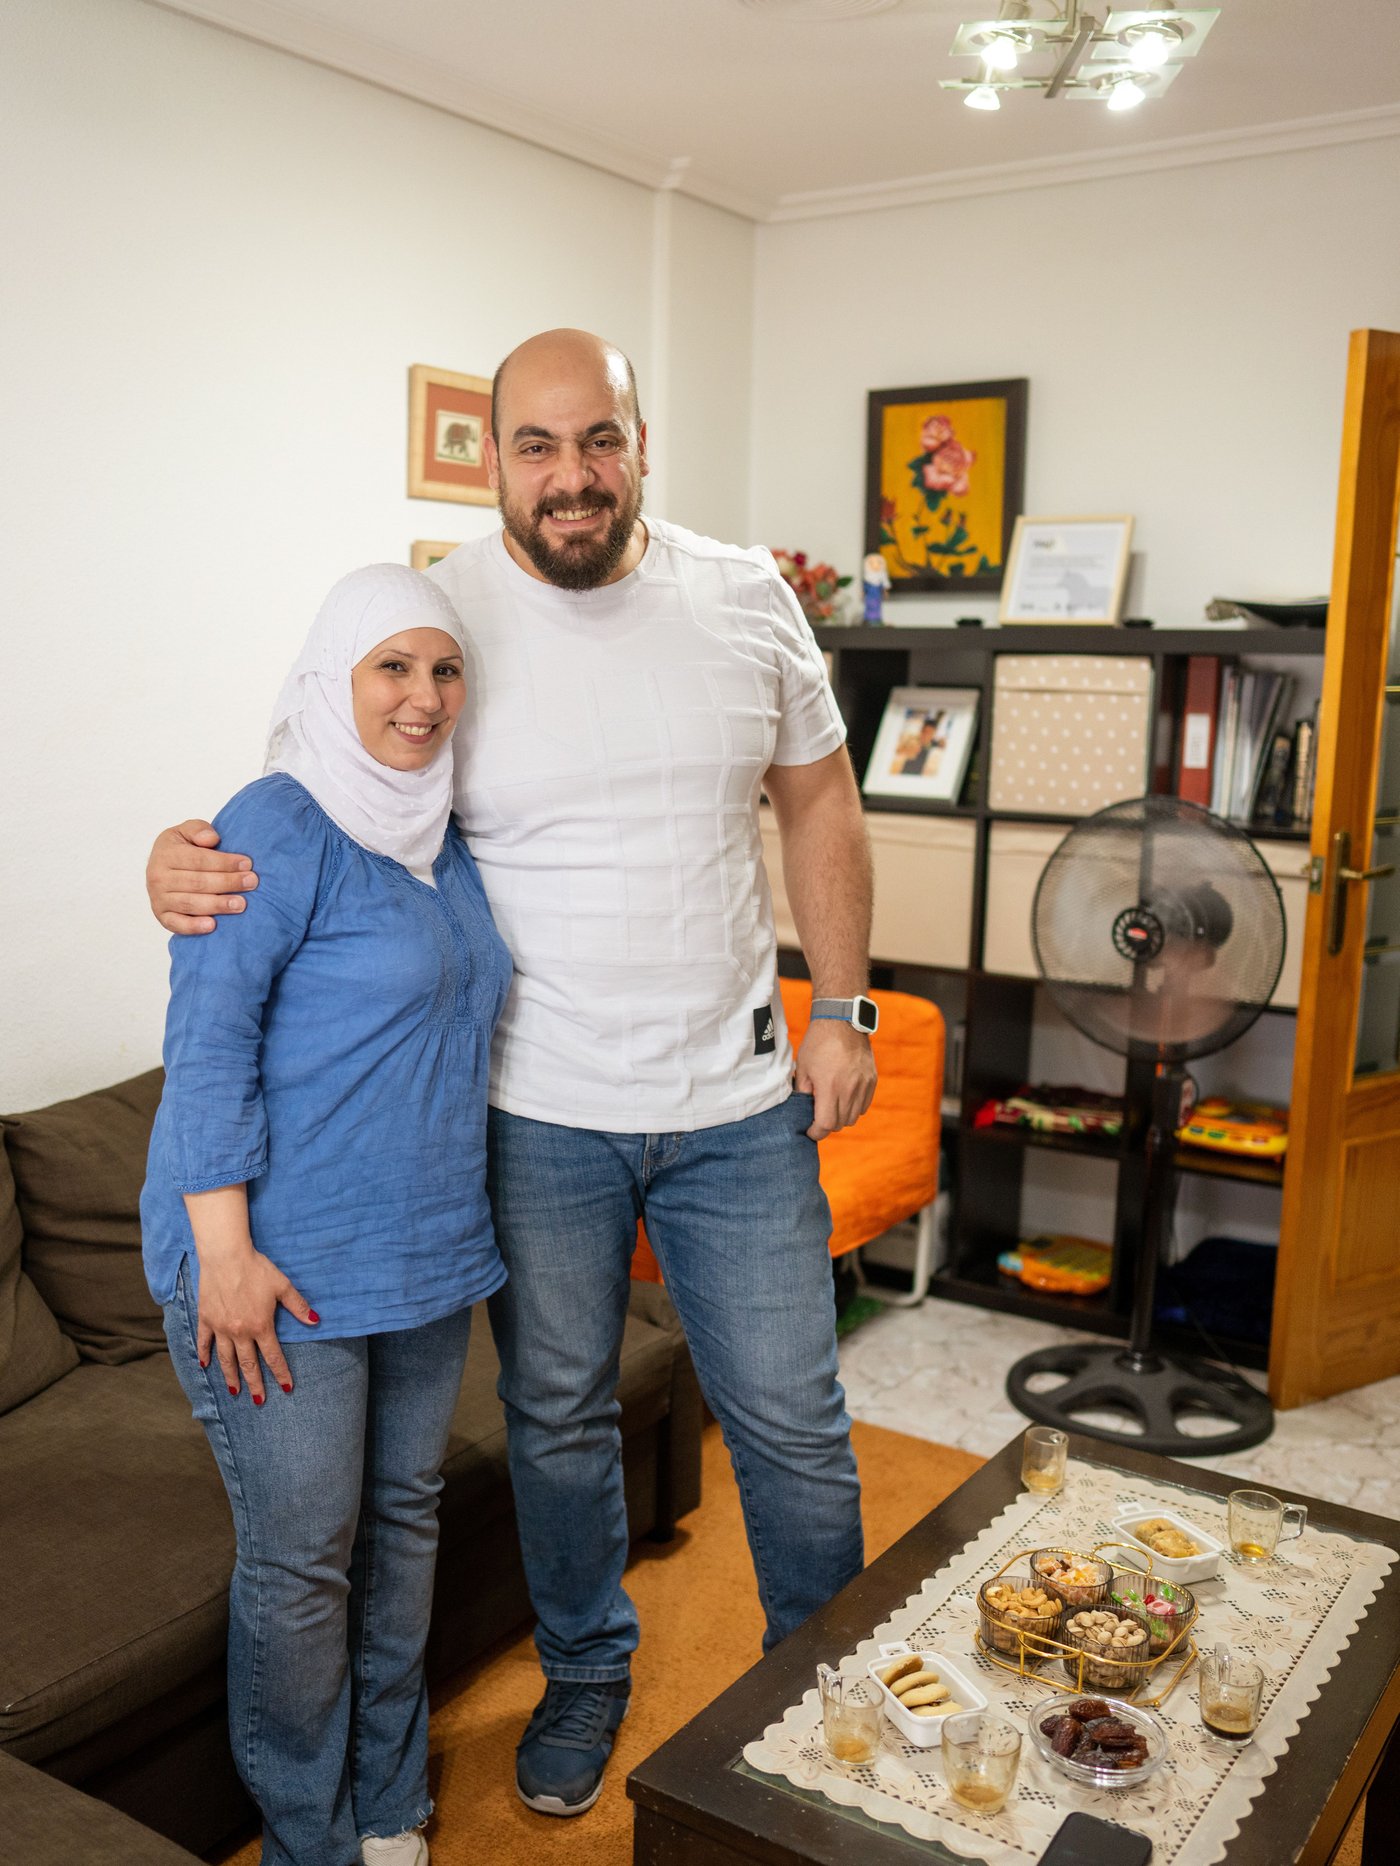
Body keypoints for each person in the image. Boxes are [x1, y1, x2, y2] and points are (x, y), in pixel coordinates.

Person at [145, 328, 876, 1821]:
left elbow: (822, 803)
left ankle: (828, 1692)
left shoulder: (748, 599)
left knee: (795, 1417)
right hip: (535, 1111)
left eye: (596, 439)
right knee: (553, 1411)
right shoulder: (443, 613)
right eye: (535, 446)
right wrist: (179, 859)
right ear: (493, 458)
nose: (571, 475)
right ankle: (588, 1668)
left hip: (738, 1104)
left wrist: (846, 1007)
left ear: (640, 441)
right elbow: (311, 799)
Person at [141, 564, 512, 1866]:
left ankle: (392, 1798)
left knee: (402, 1528)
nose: (422, 698)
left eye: (444, 668)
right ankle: (310, 1833)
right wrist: (225, 1253)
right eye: (392, 668)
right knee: (306, 1563)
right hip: (275, 1269)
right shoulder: (275, 820)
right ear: (332, 678)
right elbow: (208, 1043)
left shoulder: (446, 830)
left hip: (419, 1260)